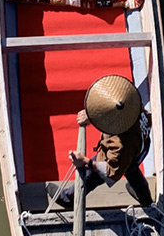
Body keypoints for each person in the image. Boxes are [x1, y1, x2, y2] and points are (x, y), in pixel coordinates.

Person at [50, 75, 153, 208]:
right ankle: (145, 199)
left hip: (132, 150)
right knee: (131, 169)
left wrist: (86, 162)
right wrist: (92, 114)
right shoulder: (129, 100)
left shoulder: (120, 146)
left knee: (93, 174)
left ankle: (68, 198)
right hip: (142, 143)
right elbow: (110, 106)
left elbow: (111, 172)